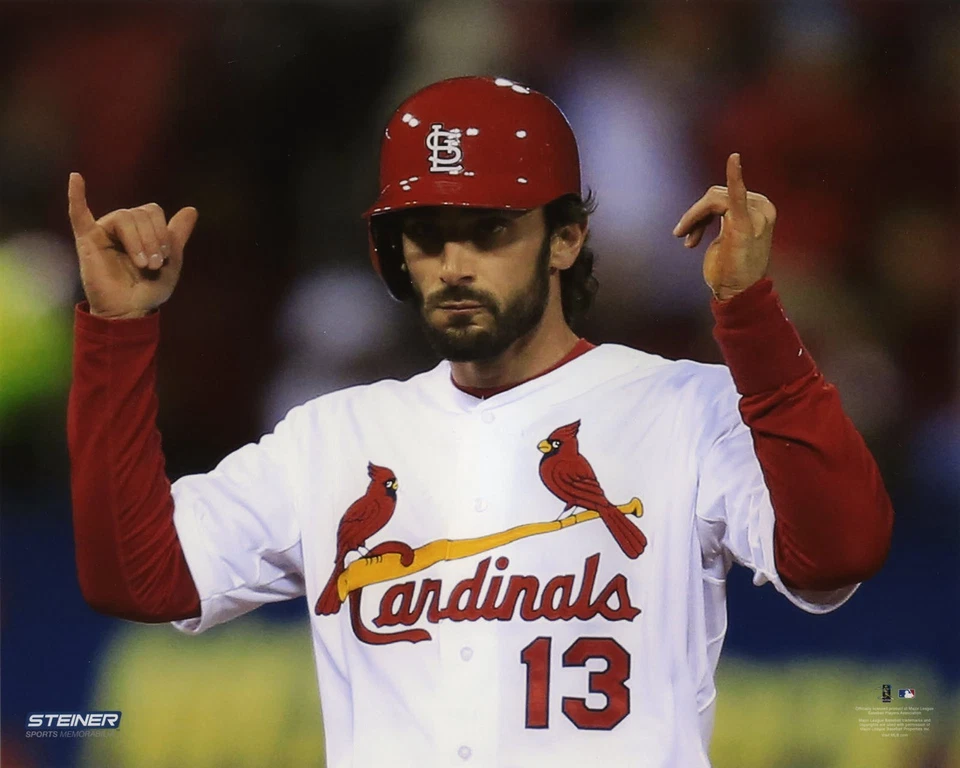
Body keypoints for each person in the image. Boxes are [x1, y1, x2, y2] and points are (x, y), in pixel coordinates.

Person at [67, 76, 893, 767]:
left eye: (490, 230)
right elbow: (136, 579)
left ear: (566, 238)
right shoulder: (333, 436)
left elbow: (839, 554)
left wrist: (748, 314)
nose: (454, 263)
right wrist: (118, 332)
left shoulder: (683, 407)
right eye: (426, 234)